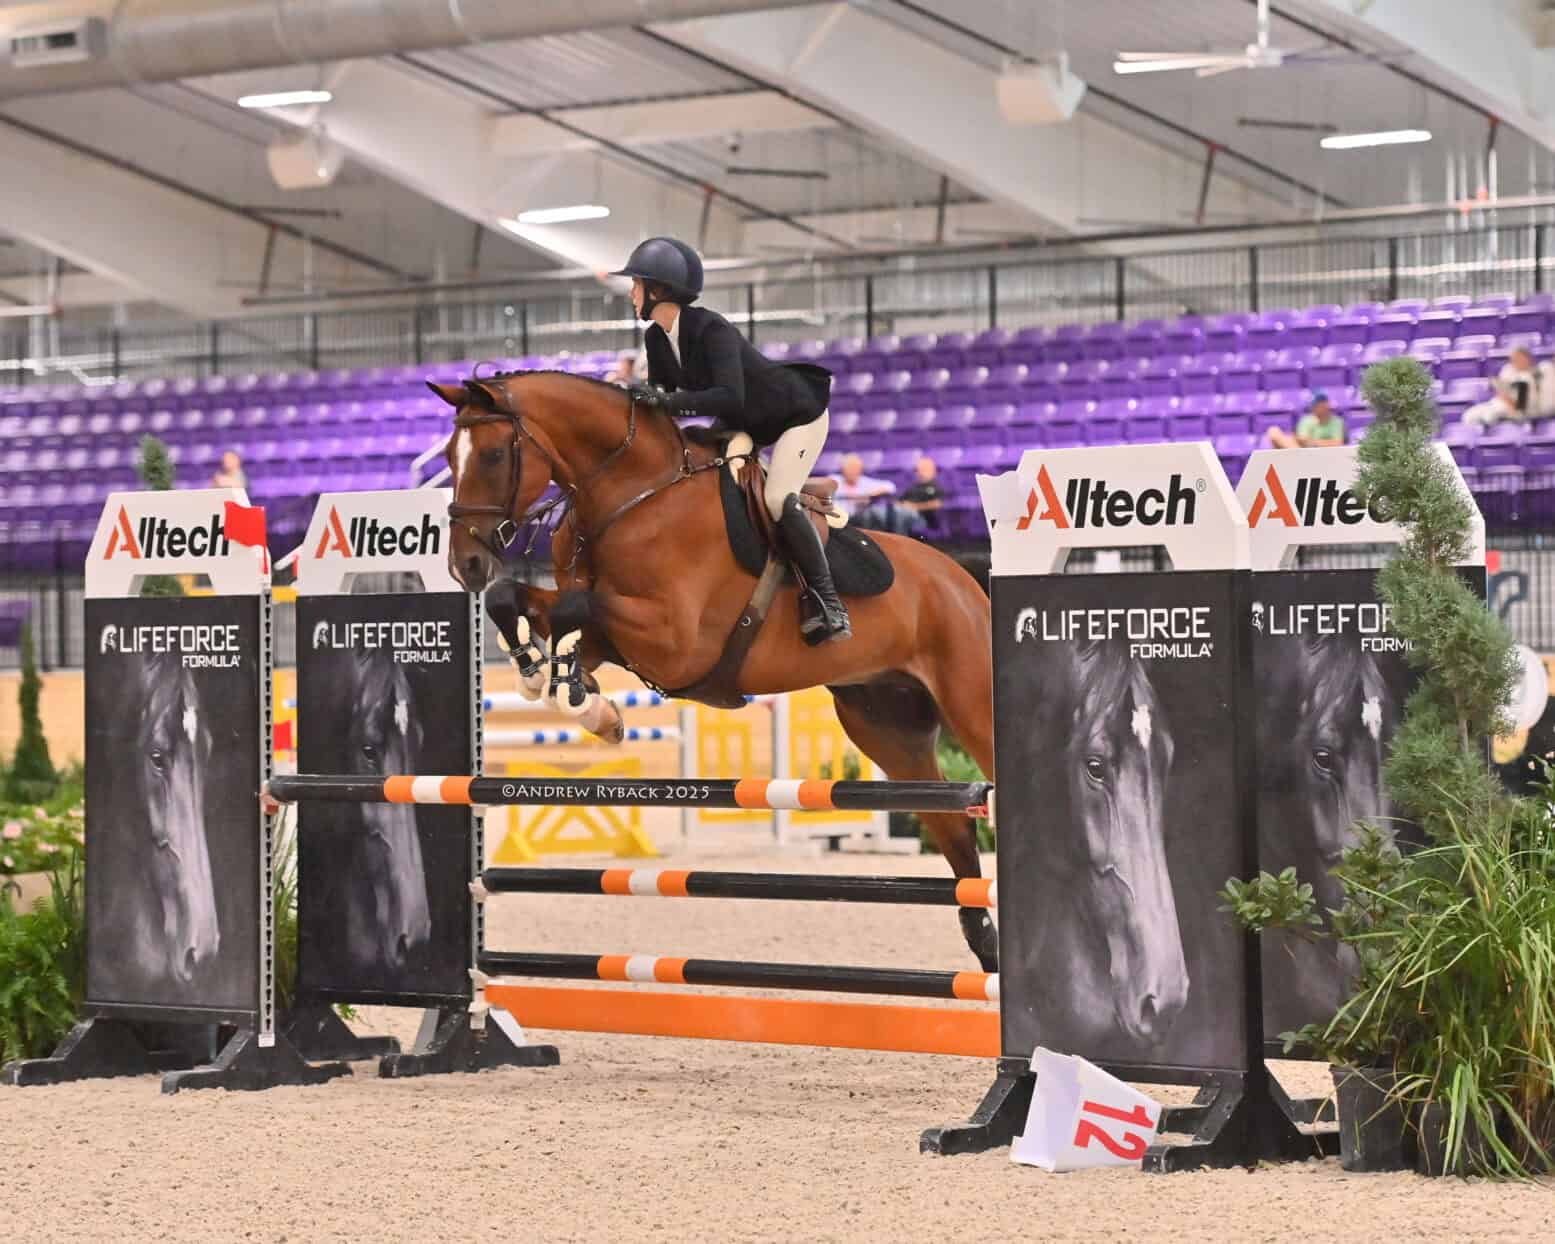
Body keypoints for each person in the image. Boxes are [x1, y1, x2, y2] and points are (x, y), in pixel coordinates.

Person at [610, 237, 849, 643]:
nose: (631, 293)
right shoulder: (655, 339)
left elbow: (728, 394)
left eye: (637, 284)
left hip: (795, 415)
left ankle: (829, 602)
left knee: (776, 499)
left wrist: (665, 400)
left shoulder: (710, 329)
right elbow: (664, 403)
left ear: (659, 290)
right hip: (746, 423)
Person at [1465, 346, 1541, 428]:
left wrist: (1506, 399)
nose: (1514, 362)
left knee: (1489, 417)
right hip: (1496, 405)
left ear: (1526, 360)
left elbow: (1520, 408)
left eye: (1518, 359)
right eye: (1514, 359)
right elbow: (1501, 390)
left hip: (1511, 411)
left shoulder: (1530, 377)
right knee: (1469, 415)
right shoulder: (1509, 370)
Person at [1265, 392, 1346, 449]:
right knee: (1273, 431)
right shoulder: (1306, 420)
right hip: (1304, 452)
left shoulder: (1336, 422)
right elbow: (1303, 441)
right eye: (1314, 405)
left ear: (1326, 405)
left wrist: (1314, 443)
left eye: (1318, 405)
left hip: (1325, 455)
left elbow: (1338, 443)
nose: (1314, 408)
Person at [832, 454, 897, 522]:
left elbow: (891, 486)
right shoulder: (834, 480)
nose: (854, 471)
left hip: (859, 521)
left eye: (857, 468)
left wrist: (869, 495)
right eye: (851, 468)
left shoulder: (865, 482)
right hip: (837, 520)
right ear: (843, 469)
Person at [899, 455, 948, 536]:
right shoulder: (913, 487)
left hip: (924, 518)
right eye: (918, 470)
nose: (920, 472)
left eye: (924, 469)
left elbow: (938, 504)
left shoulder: (938, 486)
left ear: (933, 470)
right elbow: (900, 501)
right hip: (905, 514)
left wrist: (914, 507)